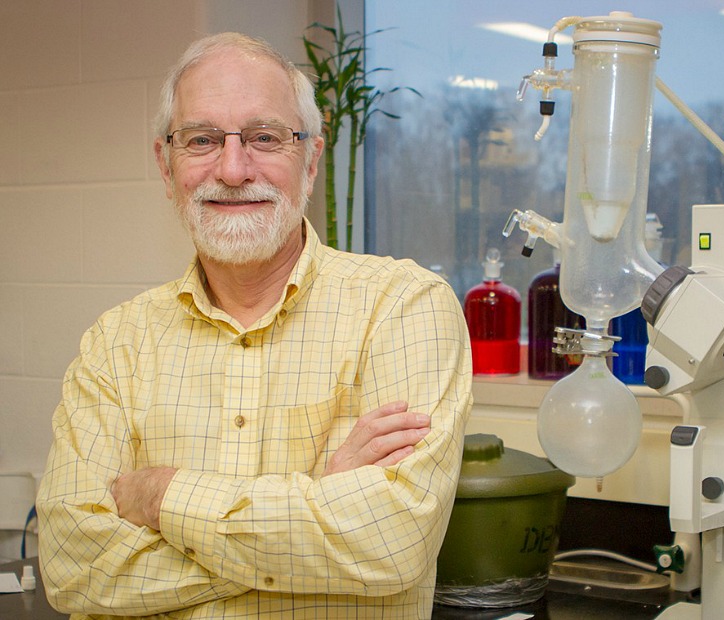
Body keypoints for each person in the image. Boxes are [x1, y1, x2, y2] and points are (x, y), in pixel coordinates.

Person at [35, 32, 472, 619]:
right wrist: (315, 515)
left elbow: (391, 544)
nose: (234, 169)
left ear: (310, 160)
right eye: (202, 140)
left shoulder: (403, 307)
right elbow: (71, 564)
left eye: (265, 138)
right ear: (167, 166)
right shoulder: (116, 343)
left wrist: (160, 496)